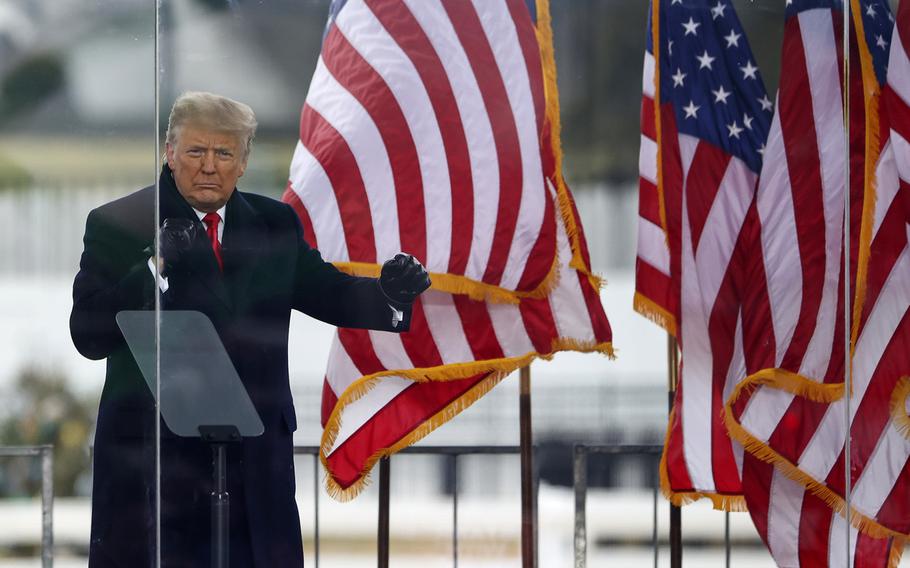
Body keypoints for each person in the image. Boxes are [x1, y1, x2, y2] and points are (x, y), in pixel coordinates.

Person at [70, 91, 430, 568]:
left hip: (253, 462)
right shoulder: (122, 224)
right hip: (156, 469)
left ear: (243, 161)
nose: (209, 166)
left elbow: (327, 291)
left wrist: (390, 294)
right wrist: (155, 268)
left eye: (224, 153)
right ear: (169, 151)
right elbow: (88, 334)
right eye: (196, 151)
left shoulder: (274, 224)